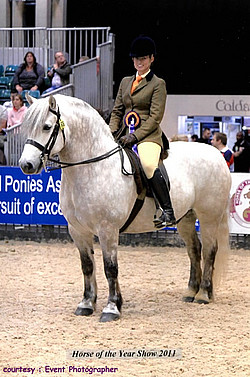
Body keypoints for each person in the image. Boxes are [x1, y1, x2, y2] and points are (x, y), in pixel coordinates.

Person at [109, 35, 176, 228]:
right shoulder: (125, 82)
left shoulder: (158, 84)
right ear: (132, 60)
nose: (140, 62)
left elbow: (155, 117)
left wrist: (135, 136)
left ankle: (167, 210)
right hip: (123, 132)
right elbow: (117, 111)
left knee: (147, 165)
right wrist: (112, 131)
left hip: (148, 135)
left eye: (144, 58)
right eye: (137, 59)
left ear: (151, 59)